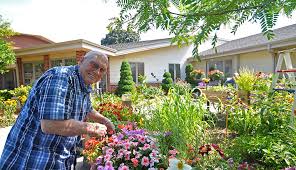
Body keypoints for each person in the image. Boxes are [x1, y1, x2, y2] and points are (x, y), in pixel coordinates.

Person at [0, 51, 115, 169]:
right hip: (30, 159)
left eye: (102, 70)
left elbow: (87, 108)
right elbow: (50, 125)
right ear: (81, 60)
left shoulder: (83, 84)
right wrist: (93, 128)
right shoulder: (60, 77)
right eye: (94, 65)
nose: (97, 72)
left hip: (56, 159)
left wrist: (104, 120)